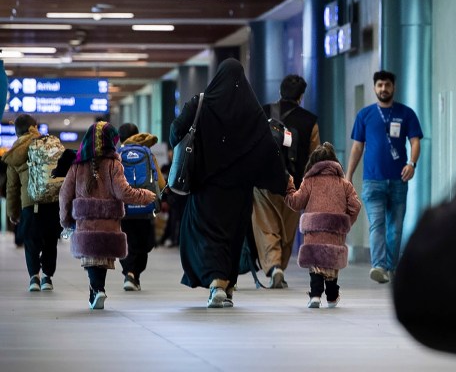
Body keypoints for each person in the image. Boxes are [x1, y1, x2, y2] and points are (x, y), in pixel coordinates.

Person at [170, 58, 286, 308]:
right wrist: (278, 178)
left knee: (209, 236)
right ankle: (227, 284)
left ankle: (216, 284)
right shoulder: (252, 111)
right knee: (232, 237)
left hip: (206, 188)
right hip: (239, 192)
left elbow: (175, 131)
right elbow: (268, 147)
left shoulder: (201, 103)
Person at [58, 121, 156, 310]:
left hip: (86, 224)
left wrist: (65, 220)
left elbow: (64, 194)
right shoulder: (113, 164)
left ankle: (97, 290)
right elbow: (124, 192)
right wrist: (146, 196)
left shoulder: (77, 165)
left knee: (91, 259)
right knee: (100, 259)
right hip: (108, 224)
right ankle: (97, 289)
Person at [346, 70, 423, 284]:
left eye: (387, 85)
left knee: (395, 227)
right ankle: (379, 265)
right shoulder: (365, 115)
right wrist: (349, 174)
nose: (383, 89)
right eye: (379, 85)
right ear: (374, 88)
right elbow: (357, 147)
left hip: (399, 180)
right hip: (372, 181)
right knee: (376, 224)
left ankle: (391, 267)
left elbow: (415, 141)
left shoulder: (406, 113)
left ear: (393, 87)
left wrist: (412, 164)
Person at [254, 73, 321, 289]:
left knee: (266, 225)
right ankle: (280, 265)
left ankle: (274, 267)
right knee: (287, 228)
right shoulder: (310, 121)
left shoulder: (262, 112)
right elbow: (314, 156)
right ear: (301, 96)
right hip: (294, 183)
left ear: (280, 92)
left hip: (263, 180)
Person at [286, 142, 361, 308]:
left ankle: (315, 296)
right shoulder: (344, 184)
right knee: (331, 263)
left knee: (316, 263)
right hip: (335, 231)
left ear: (314, 162)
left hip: (314, 231)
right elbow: (356, 206)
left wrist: (289, 186)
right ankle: (332, 297)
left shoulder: (309, 181)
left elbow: (296, 202)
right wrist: (345, 222)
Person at [3, 114, 61, 292]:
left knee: (31, 241)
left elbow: (12, 187)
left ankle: (34, 278)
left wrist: (13, 212)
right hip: (52, 201)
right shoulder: (48, 143)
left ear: (17, 132)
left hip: (29, 204)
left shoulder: (15, 152)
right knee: (50, 241)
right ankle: (47, 278)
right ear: (34, 127)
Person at [116, 122, 163, 292]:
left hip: (124, 208)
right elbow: (160, 182)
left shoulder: (117, 155)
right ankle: (133, 274)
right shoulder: (147, 152)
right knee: (144, 244)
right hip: (145, 205)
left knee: (127, 242)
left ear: (119, 138)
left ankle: (130, 273)